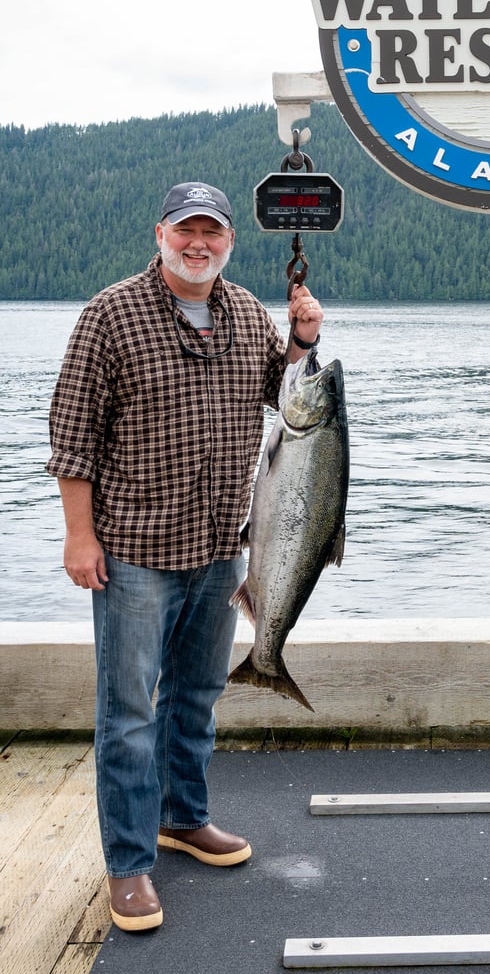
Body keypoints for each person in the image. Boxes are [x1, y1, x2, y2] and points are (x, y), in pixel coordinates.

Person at [46, 181, 324, 932]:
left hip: (221, 551)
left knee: (197, 697)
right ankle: (130, 866)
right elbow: (71, 435)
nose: (199, 244)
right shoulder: (109, 313)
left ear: (230, 242)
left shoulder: (243, 313)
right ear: (160, 235)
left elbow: (283, 393)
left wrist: (300, 341)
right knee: (130, 715)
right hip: (134, 551)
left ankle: (183, 817)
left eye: (213, 233)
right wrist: (80, 536)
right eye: (185, 231)